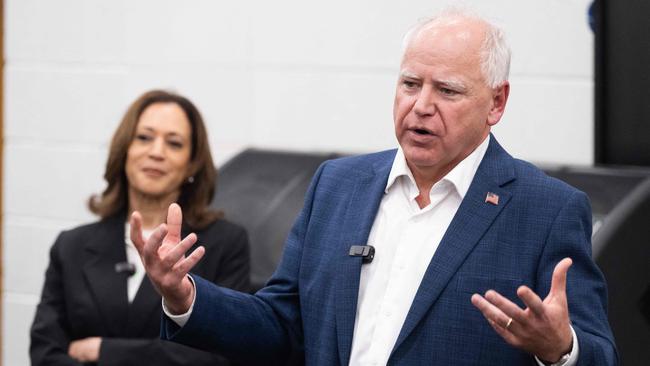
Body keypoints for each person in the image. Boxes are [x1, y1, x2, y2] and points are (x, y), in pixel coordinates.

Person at [132, 9, 617, 366]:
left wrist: (561, 350)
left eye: (447, 90)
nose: (422, 106)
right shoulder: (338, 186)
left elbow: (600, 354)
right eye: (410, 84)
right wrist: (185, 297)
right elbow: (282, 325)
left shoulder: (546, 210)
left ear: (496, 103)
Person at [30, 90, 250, 365]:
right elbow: (44, 352)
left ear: (192, 163)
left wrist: (104, 351)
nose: (156, 152)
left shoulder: (224, 244)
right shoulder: (70, 245)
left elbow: (222, 357)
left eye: (174, 143)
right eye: (144, 138)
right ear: (125, 150)